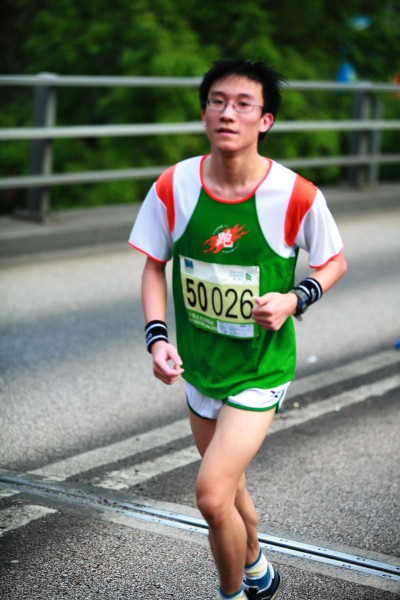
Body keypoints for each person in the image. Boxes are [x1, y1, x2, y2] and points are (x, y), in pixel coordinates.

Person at [129, 58, 347, 600]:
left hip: (260, 368)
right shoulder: (174, 186)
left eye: (243, 104)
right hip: (201, 366)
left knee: (210, 495)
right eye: (218, 102)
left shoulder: (295, 194)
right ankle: (258, 569)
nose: (228, 113)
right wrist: (158, 338)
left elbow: (334, 262)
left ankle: (232, 594)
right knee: (231, 490)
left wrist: (295, 299)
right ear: (204, 113)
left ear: (265, 120)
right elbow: (154, 265)